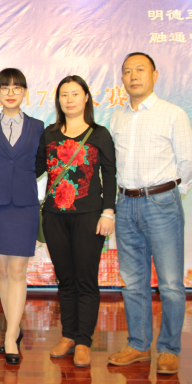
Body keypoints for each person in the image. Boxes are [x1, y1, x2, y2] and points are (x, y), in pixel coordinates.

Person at [108, 52, 192, 375]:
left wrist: (170, 194)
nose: (133, 76)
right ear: (122, 79)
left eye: (140, 70)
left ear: (154, 75)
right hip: (124, 203)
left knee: (170, 283)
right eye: (127, 71)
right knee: (133, 282)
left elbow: (188, 162)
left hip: (161, 203)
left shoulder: (172, 114)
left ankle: (169, 349)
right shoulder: (116, 118)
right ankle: (138, 345)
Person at [35, 75, 117, 367]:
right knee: (65, 279)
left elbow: (110, 175)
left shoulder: (99, 134)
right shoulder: (49, 134)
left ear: (86, 98)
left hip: (89, 217)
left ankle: (84, 340)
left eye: (75, 94)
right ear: (58, 100)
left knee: (86, 279)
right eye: (64, 95)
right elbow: (33, 169)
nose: (69, 100)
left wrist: (108, 213)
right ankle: (68, 335)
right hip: (54, 217)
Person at [0, 69, 43, 364]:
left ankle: (11, 335)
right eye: (5, 87)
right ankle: (12, 327)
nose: (11, 93)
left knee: (17, 271)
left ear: (25, 92)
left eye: (16, 87)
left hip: (25, 206)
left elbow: (42, 164)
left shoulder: (39, 127)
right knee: (3, 271)